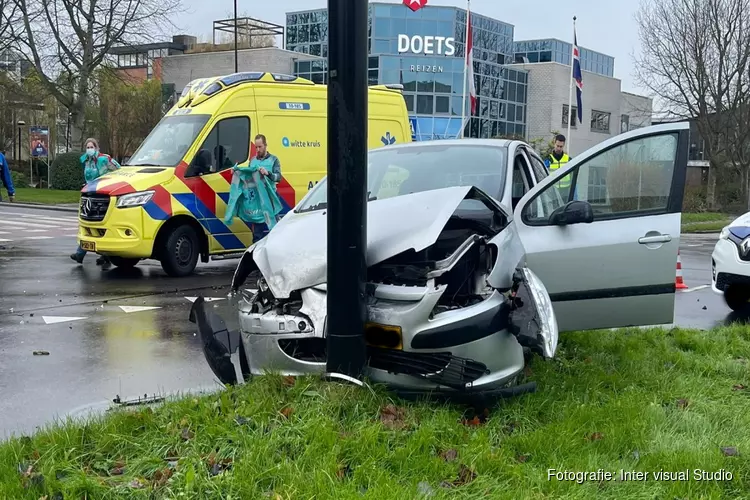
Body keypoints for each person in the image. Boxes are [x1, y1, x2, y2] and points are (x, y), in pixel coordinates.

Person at [70, 138, 121, 265]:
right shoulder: (86, 161)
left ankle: (93, 254)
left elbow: (118, 169)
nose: (89, 149)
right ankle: (86, 254)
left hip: (102, 195)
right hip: (90, 194)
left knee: (98, 225)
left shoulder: (103, 159)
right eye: (87, 147)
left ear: (96, 148)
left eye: (91, 147)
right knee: (88, 224)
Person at [247, 134, 283, 241]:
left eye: (260, 147)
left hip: (270, 200)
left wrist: (268, 173)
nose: (257, 150)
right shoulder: (253, 161)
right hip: (257, 201)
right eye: (256, 147)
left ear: (265, 145)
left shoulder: (273, 160)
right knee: (257, 233)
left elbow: (278, 177)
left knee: (274, 229)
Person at [544, 134, 572, 199]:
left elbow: (572, 176)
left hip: (565, 193)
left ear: (563, 145)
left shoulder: (568, 160)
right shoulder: (548, 160)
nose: (559, 148)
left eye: (561, 146)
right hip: (552, 192)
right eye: (557, 146)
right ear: (554, 144)